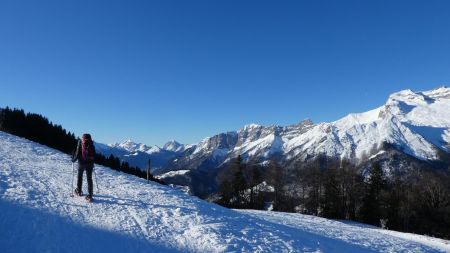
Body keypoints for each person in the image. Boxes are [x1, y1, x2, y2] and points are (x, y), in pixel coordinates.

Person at [72, 133, 96, 202]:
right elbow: (94, 155)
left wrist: (73, 160)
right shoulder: (91, 144)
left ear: (83, 138)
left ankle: (79, 191)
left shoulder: (81, 143)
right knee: (89, 179)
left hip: (81, 163)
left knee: (80, 177)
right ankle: (90, 195)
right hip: (90, 164)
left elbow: (77, 154)